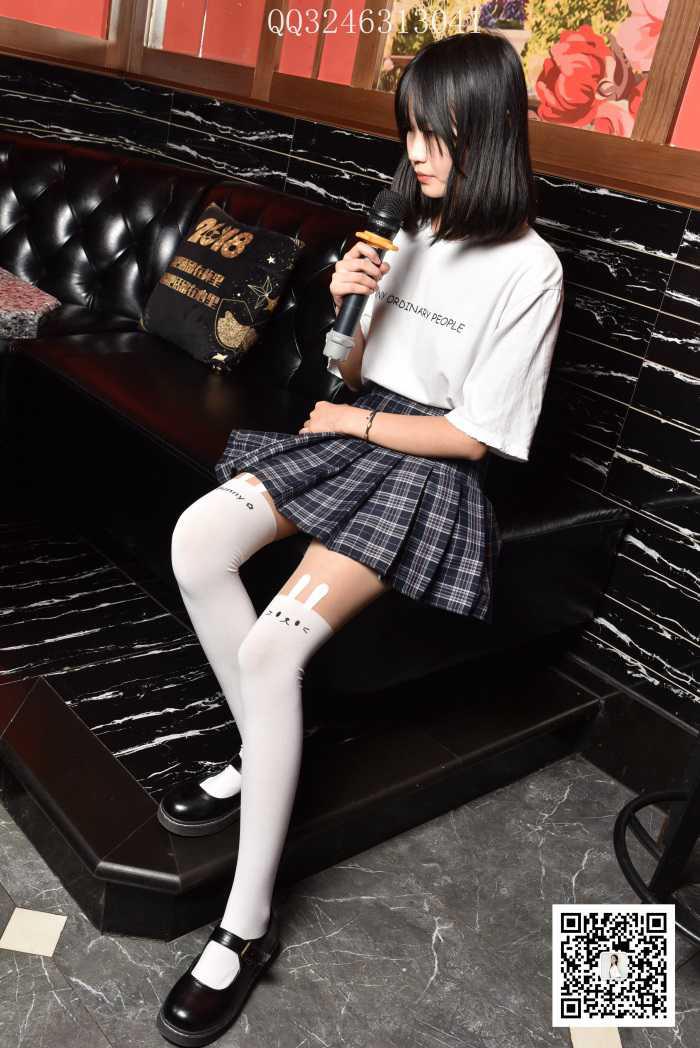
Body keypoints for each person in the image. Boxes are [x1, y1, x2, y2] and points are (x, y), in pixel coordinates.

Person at [156, 27, 564, 1047]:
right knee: (196, 540)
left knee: (271, 647)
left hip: (426, 466)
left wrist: (352, 418)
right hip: (358, 421)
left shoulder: (532, 269)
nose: (416, 154)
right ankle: (260, 749)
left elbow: (475, 436)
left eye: (438, 134)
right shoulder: (411, 231)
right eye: (410, 131)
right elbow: (345, 374)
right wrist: (350, 309)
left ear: (491, 132)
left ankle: (245, 927)